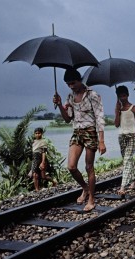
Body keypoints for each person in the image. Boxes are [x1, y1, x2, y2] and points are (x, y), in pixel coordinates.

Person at [53, 68, 106, 212]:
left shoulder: (92, 95)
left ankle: (91, 199)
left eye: (73, 83)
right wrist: (59, 105)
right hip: (77, 132)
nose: (71, 86)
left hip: (90, 131)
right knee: (71, 166)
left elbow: (100, 118)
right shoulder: (70, 97)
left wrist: (101, 140)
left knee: (89, 167)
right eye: (68, 84)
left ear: (80, 80)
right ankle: (85, 188)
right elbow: (67, 119)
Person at [114, 86, 135, 196]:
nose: (122, 98)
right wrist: (117, 111)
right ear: (118, 97)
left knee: (127, 160)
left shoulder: (134, 108)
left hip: (131, 136)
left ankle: (123, 187)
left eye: (124, 95)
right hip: (121, 136)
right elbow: (116, 124)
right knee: (128, 159)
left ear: (127, 95)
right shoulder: (118, 108)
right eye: (120, 96)